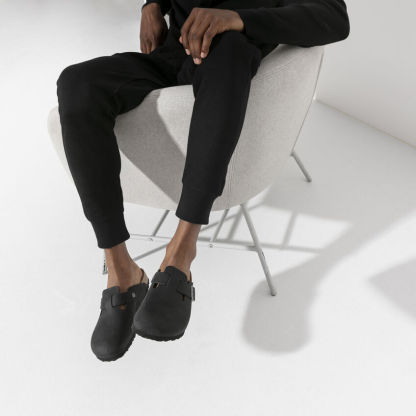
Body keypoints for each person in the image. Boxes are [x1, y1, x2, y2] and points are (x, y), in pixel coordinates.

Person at [56, 0, 350, 361]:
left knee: (230, 47)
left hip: (228, 63)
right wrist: (152, 6)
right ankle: (121, 272)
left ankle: (180, 255)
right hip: (171, 55)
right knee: (76, 83)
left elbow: (335, 18)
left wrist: (238, 19)